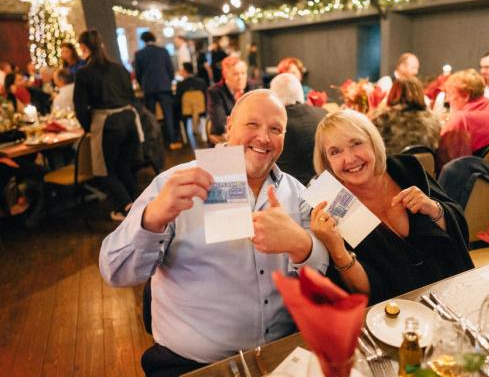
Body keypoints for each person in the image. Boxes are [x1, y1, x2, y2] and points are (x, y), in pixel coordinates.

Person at [99, 89, 328, 375]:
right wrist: (153, 218)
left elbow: (321, 275)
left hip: (282, 355)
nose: (264, 138)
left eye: (275, 129)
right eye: (252, 125)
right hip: (195, 363)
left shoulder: (296, 192)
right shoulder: (176, 185)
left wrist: (303, 245)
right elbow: (115, 272)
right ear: (229, 125)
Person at [309, 110, 472, 304]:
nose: (350, 159)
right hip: (394, 312)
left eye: (356, 144)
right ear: (326, 161)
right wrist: (337, 248)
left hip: (453, 291)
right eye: (335, 152)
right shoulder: (330, 204)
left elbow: (458, 232)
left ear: (373, 142)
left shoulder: (406, 169)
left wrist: (435, 210)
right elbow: (364, 292)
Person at [74, 29, 144, 221]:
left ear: (83, 47)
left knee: (103, 171)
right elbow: (132, 97)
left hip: (107, 124)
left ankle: (127, 207)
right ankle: (138, 206)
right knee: (123, 167)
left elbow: (80, 107)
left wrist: (88, 127)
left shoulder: (84, 73)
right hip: (129, 120)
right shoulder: (119, 68)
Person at [438, 69, 489, 165]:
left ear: (465, 96)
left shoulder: (462, 119)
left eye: (450, 94)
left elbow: (447, 158)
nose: (447, 100)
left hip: (474, 174)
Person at [270, 73, 326, 185]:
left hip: (285, 190)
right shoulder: (324, 114)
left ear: (273, 96)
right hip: (324, 187)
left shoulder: (273, 125)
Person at [370, 76, 441, 154]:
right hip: (424, 165)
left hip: (392, 165)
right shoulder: (433, 120)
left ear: (392, 93)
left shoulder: (381, 118)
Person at [134, 31, 180, 150]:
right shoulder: (163, 51)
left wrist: (143, 84)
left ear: (143, 40)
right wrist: (168, 81)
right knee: (168, 114)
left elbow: (138, 73)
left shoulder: (139, 54)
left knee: (151, 116)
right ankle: (172, 141)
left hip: (149, 88)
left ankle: (155, 144)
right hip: (164, 86)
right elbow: (170, 69)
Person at [207, 56, 250, 143]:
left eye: (243, 73)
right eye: (235, 74)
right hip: (223, 141)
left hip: (247, 139)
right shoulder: (215, 92)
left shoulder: (251, 88)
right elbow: (220, 124)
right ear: (225, 75)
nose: (240, 78)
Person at [174, 62, 208, 137]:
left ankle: (179, 136)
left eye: (181, 69)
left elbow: (177, 102)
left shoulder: (181, 84)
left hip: (186, 114)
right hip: (202, 111)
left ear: (185, 71)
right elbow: (206, 98)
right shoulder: (202, 82)